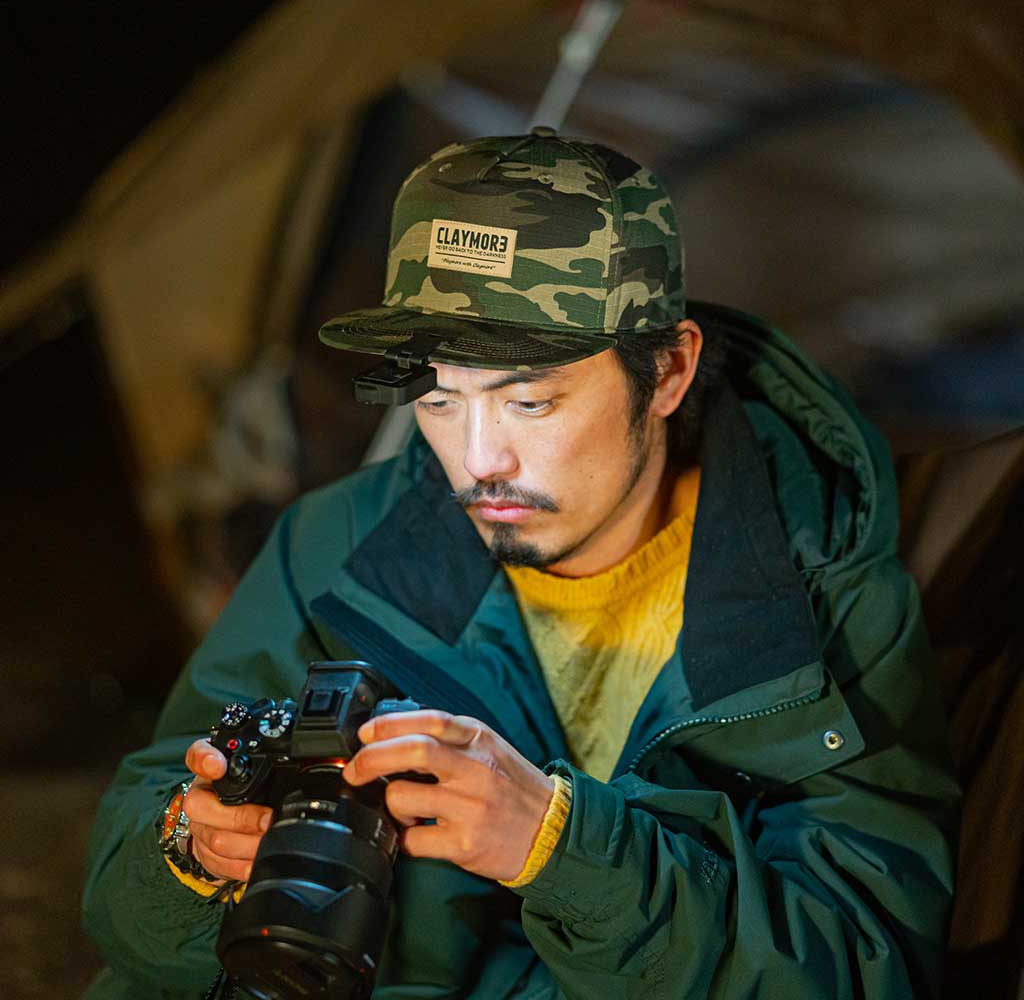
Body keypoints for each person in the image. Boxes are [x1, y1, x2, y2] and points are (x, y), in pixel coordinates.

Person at [82, 128, 960, 999]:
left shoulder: (815, 591)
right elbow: (126, 918)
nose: (478, 460)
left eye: (530, 401)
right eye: (439, 398)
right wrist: (192, 853)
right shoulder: (339, 543)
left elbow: (862, 963)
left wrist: (562, 847)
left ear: (667, 372)